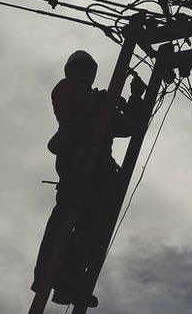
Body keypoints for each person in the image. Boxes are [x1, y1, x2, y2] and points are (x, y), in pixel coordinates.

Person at [31, 50, 144, 309]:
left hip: (98, 169)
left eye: (89, 69)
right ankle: (46, 275)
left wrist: (135, 98)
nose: (87, 73)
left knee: (90, 225)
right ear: (71, 69)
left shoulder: (97, 103)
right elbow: (75, 107)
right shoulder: (66, 88)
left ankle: (67, 281)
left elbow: (128, 126)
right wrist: (105, 98)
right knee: (65, 219)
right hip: (76, 162)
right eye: (82, 68)